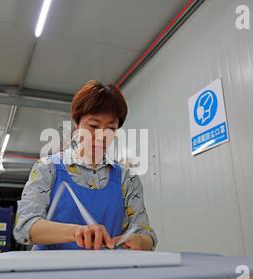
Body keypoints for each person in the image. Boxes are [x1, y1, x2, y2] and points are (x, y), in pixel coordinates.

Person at [13, 80, 157, 251]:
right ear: (76, 123)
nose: (101, 135)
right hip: (52, 273)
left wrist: (140, 240)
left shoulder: (127, 179)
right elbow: (25, 226)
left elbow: (146, 234)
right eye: (93, 126)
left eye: (111, 128)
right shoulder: (48, 168)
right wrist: (76, 232)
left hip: (107, 273)